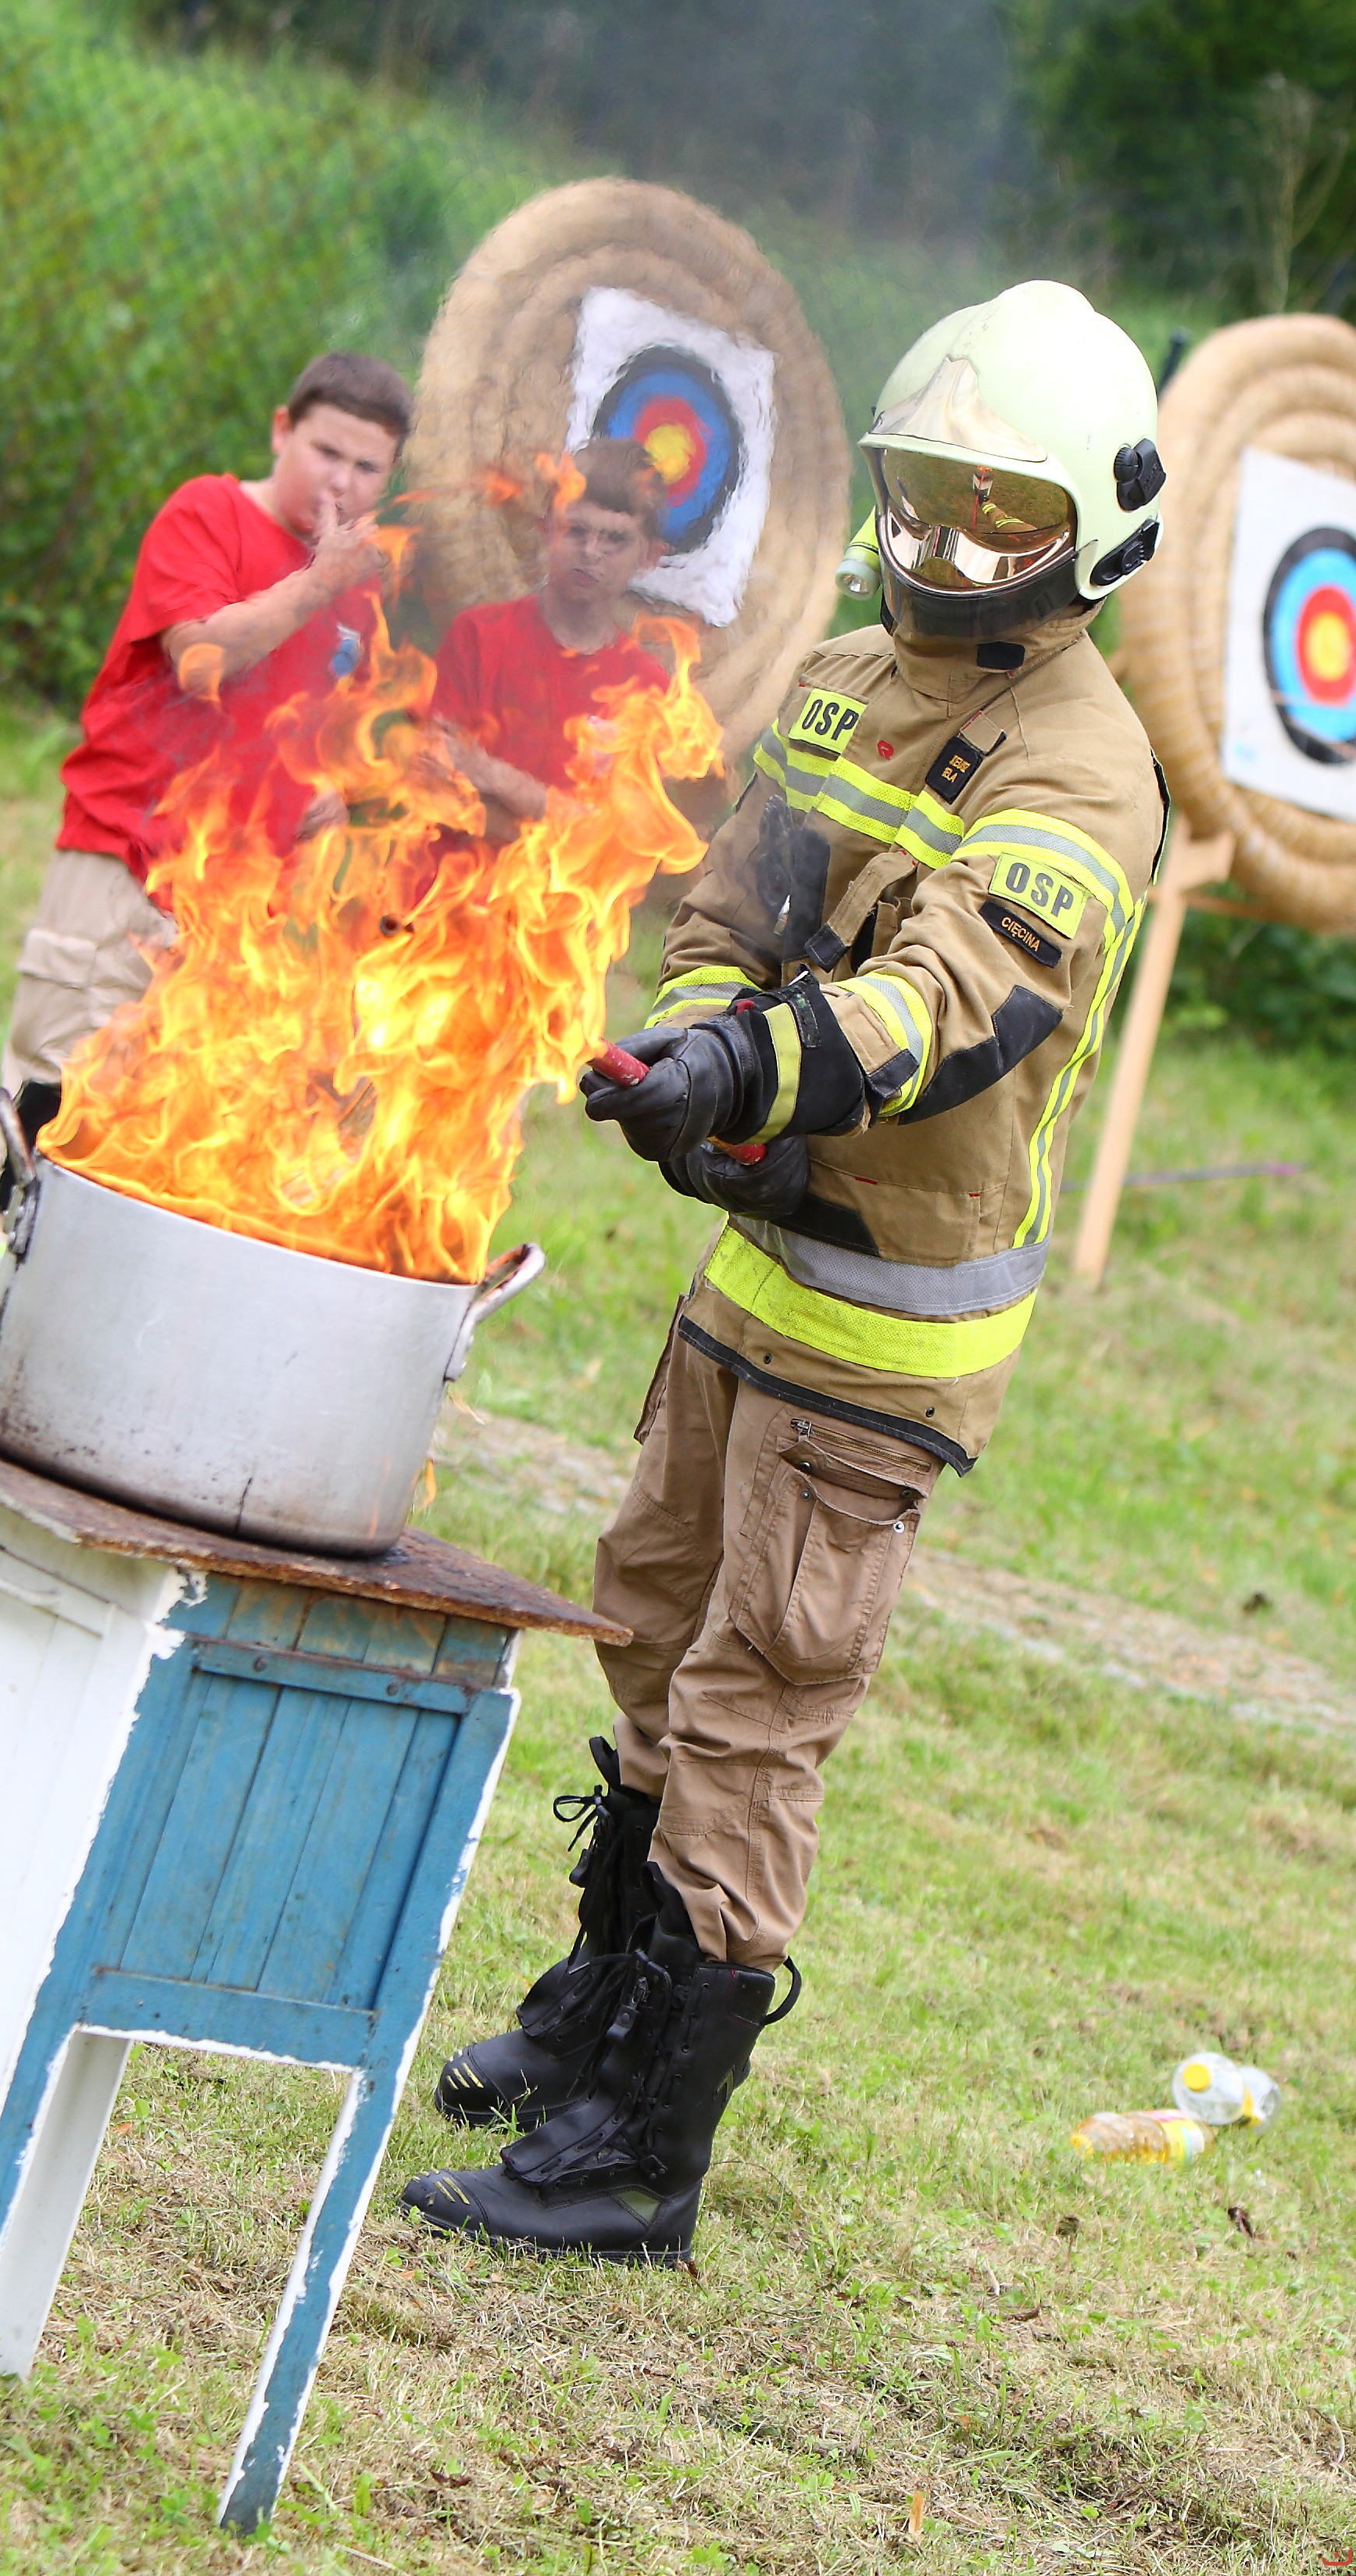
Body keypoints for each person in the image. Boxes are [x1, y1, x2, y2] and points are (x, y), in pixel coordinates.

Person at [402, 279, 1170, 2263]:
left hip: (884, 1328)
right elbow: (731, 904)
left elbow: (957, 999)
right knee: (654, 1621)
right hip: (758, 1269)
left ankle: (639, 2153)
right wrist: (697, 1040)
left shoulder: (1084, 765)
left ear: (1095, 532)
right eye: (928, 500)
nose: (950, 550)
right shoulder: (841, 675)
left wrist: (755, 1071)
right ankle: (601, 2009)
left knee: (758, 1701)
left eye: (1004, 518)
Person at [0, 349, 413, 1303]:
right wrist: (317, 582)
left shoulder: (362, 591)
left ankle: (95, 1329)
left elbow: (346, 719)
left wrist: (344, 784)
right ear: (281, 430)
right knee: (57, 1101)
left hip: (237, 919)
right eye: (326, 451)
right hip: (128, 867)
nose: (340, 482)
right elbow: (201, 656)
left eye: (367, 466)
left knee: (171, 1130)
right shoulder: (208, 513)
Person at [424, 438, 669, 844]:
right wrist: (559, 821)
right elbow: (436, 793)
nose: (592, 552)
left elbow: (613, 842)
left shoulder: (648, 686)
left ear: (649, 556)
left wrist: (495, 777)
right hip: (451, 882)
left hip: (566, 889)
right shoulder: (479, 636)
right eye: (576, 530)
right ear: (546, 530)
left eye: (615, 539)